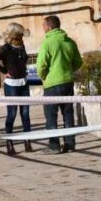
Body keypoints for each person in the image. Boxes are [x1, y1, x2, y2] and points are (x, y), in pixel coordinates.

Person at [37, 15, 83, 154]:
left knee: (51, 115)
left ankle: (54, 145)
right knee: (68, 114)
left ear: (49, 26)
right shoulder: (69, 42)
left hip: (52, 84)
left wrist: (44, 77)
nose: (43, 29)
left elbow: (41, 65)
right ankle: (70, 144)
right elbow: (78, 62)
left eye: (43, 26)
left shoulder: (47, 43)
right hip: (67, 82)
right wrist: (68, 71)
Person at [0, 23, 33, 155]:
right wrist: (5, 71)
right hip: (11, 85)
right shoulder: (6, 48)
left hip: (23, 83)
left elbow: (24, 60)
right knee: (12, 114)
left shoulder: (22, 46)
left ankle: (28, 141)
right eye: (20, 33)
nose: (22, 36)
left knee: (25, 114)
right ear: (14, 34)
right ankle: (9, 143)